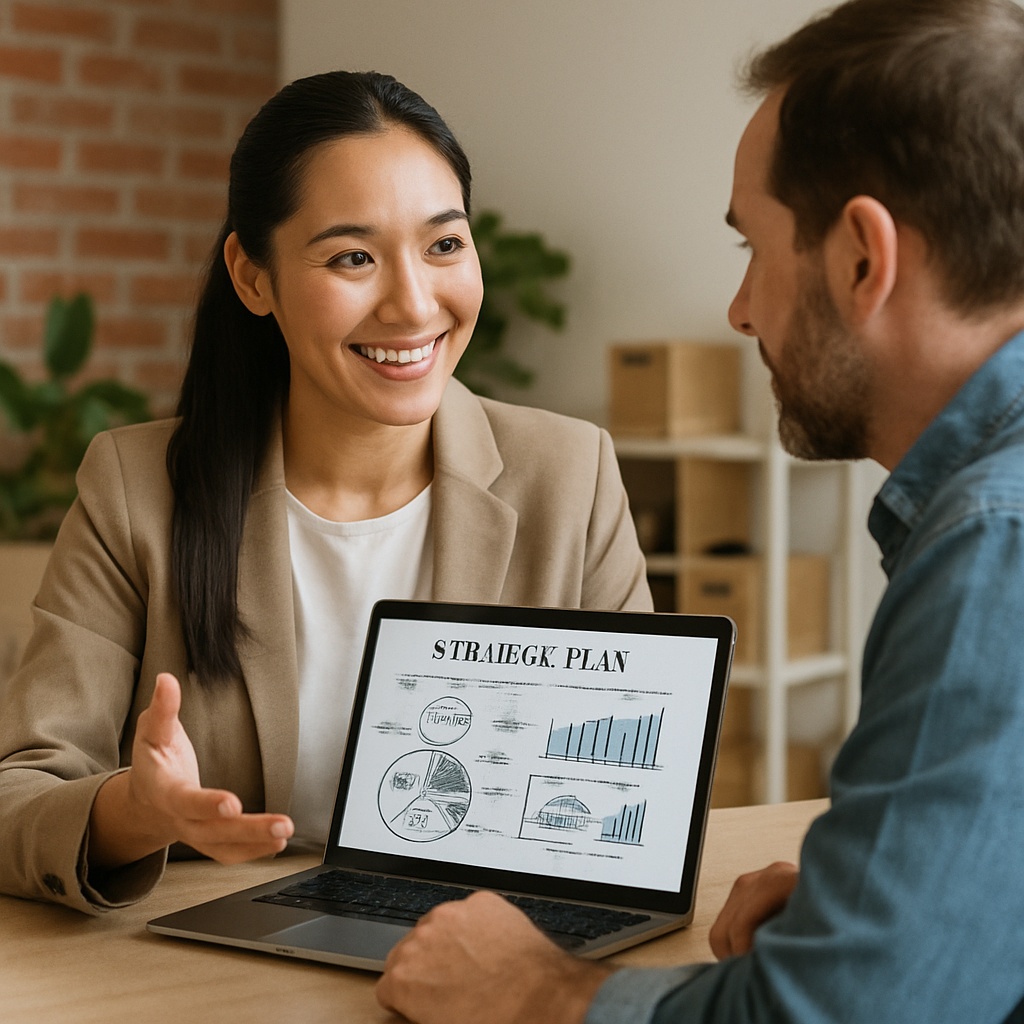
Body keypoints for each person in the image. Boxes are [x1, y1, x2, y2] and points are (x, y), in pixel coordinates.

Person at [375, 1, 1024, 1021]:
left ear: (862, 258)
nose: (739, 310)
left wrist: (539, 989)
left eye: (751, 249)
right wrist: (900, 899)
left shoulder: (996, 545)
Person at [0, 71, 651, 914]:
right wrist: (132, 813)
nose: (414, 304)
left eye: (444, 245)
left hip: (484, 952)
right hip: (223, 973)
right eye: (352, 257)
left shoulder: (572, 474)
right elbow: (18, 798)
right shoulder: (138, 488)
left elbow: (642, 791)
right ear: (252, 276)